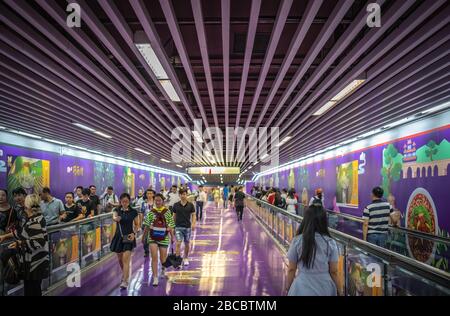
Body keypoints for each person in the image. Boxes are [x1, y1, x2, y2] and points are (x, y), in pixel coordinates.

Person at [286, 205, 342, 296]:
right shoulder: (330, 242)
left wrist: (288, 287)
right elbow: (334, 271)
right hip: (325, 287)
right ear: (324, 221)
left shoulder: (297, 240)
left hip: (302, 287)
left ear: (306, 220)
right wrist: (339, 290)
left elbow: (291, 269)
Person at [9, 194, 49, 296]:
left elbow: (38, 241)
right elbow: (26, 233)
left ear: (27, 205)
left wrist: (19, 243)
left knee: (32, 289)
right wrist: (8, 235)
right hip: (37, 261)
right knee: (34, 288)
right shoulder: (37, 217)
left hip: (34, 262)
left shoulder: (34, 220)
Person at [142, 193, 175, 286]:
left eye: (159, 200)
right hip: (152, 238)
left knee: (163, 258)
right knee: (154, 257)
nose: (157, 202)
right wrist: (143, 237)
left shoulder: (167, 212)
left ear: (162, 201)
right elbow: (147, 226)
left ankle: (163, 268)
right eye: (156, 200)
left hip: (164, 237)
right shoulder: (151, 212)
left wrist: (172, 236)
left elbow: (171, 225)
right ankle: (155, 277)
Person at [110, 193, 140, 289]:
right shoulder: (117, 210)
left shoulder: (133, 212)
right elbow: (114, 217)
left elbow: (137, 225)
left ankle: (125, 280)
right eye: (123, 201)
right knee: (120, 259)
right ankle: (125, 273)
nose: (125, 203)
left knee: (126, 259)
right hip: (118, 237)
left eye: (126, 201)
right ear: (120, 201)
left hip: (128, 237)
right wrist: (116, 218)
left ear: (129, 202)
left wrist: (134, 233)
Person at [172, 189, 195, 266]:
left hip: (187, 227)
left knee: (187, 243)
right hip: (178, 227)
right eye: (181, 194)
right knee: (178, 243)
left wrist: (193, 223)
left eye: (184, 194)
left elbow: (193, 215)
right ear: (179, 195)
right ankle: (178, 259)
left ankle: (185, 258)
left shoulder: (191, 205)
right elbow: (174, 216)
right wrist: (172, 226)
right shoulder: (175, 205)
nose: (183, 196)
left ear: (186, 195)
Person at [140, 189, 156, 257]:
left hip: (155, 224)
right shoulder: (143, 203)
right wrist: (141, 222)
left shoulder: (156, 202)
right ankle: (146, 251)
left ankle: (154, 250)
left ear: (153, 194)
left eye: (150, 193)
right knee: (145, 239)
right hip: (145, 223)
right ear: (146, 194)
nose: (149, 195)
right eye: (148, 193)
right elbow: (141, 213)